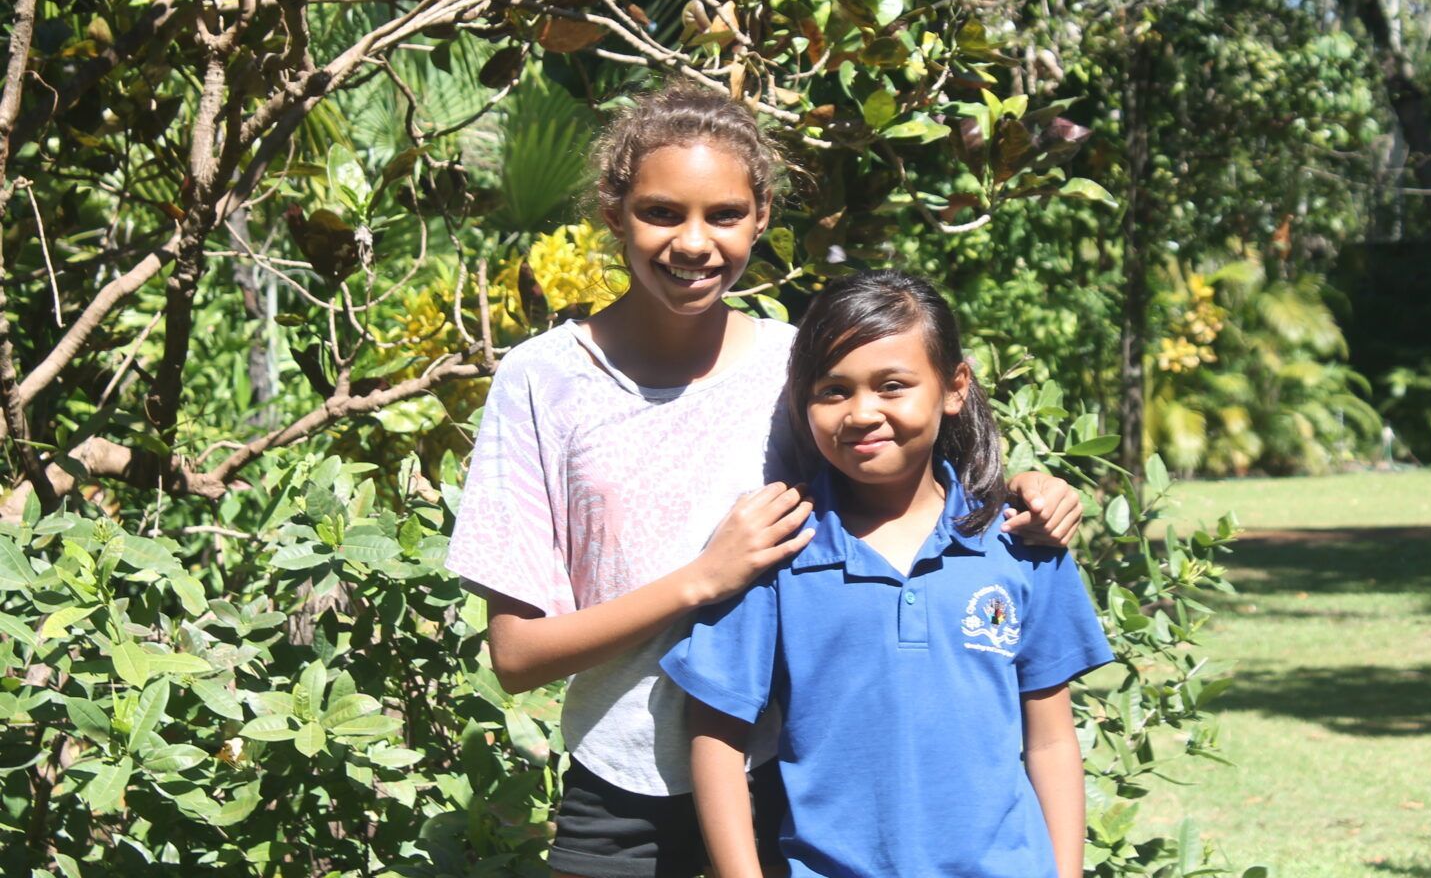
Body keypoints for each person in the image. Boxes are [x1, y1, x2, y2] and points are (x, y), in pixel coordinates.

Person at [443, 85, 1085, 878]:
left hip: (799, 786)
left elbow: (907, 463)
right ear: (614, 213)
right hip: (623, 792)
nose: (693, 242)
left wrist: (1022, 483)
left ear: (761, 215)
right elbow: (515, 657)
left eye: (723, 215)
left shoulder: (805, 369)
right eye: (660, 212)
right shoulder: (543, 381)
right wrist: (700, 581)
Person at [662, 269, 1113, 878]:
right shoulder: (774, 550)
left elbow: (1053, 738)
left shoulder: (1021, 541)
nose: (862, 413)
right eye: (833, 390)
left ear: (954, 388)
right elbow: (716, 738)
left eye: (892, 385)